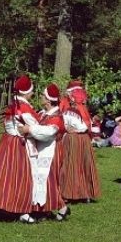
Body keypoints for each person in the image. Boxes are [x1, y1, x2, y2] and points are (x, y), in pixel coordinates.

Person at [0, 75, 39, 223]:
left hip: (7, 142)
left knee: (6, 175)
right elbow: (34, 126)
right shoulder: (24, 108)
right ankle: (21, 210)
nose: (32, 94)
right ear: (27, 92)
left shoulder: (12, 105)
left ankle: (5, 207)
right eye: (31, 91)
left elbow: (8, 124)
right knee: (21, 176)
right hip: (18, 145)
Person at [18, 84, 69, 221]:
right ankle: (43, 209)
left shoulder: (57, 116)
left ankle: (62, 207)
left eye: (42, 95)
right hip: (41, 150)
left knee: (49, 180)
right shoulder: (42, 114)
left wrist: (30, 129)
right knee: (40, 179)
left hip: (52, 151)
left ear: (47, 100)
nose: (39, 97)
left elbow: (48, 133)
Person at [59, 87, 101, 202]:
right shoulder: (85, 111)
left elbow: (64, 124)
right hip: (84, 139)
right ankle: (86, 193)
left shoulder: (70, 111)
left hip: (73, 139)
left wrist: (67, 128)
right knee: (84, 164)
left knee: (72, 164)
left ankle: (69, 193)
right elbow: (90, 127)